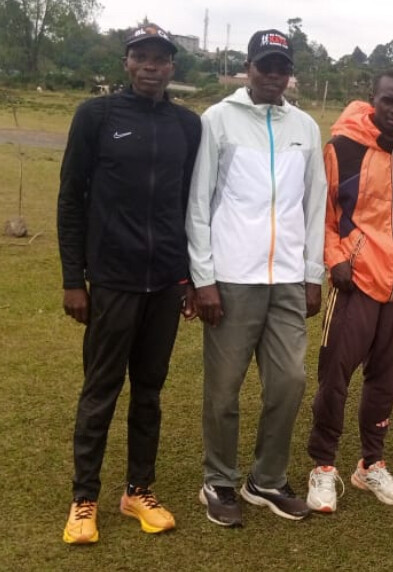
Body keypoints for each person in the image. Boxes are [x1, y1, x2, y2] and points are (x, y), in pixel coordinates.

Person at [57, 23, 201, 544]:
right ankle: (84, 499)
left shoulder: (187, 125)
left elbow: (188, 205)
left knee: (149, 392)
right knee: (100, 391)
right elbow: (71, 199)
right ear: (127, 62)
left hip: (164, 284)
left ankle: (138, 490)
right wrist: (74, 280)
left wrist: (189, 277)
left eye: (160, 58)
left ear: (172, 66)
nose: (150, 66)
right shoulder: (96, 116)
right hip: (112, 281)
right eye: (141, 57)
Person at [187, 29, 325, 526]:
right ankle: (218, 480)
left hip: (287, 277)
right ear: (248, 67)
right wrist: (204, 277)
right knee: (224, 389)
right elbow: (199, 202)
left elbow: (314, 204)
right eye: (265, 65)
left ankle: (266, 479)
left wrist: (312, 273)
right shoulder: (218, 119)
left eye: (282, 68)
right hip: (231, 278)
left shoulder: (305, 127)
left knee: (290, 381)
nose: (273, 76)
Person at [304, 70, 393, 510]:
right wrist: (335, 259)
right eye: (388, 100)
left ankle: (370, 465)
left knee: (385, 382)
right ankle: (323, 466)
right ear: (372, 99)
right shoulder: (342, 148)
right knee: (334, 379)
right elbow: (323, 214)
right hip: (355, 282)